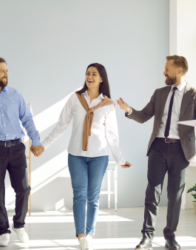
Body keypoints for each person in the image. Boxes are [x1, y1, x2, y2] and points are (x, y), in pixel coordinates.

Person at [31, 63, 132, 250]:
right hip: (76, 155)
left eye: (94, 74)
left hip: (99, 156)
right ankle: (80, 236)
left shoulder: (108, 104)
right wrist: (43, 145)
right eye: (87, 73)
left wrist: (120, 159)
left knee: (93, 197)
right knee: (79, 195)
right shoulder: (75, 98)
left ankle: (90, 234)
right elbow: (61, 125)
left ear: (101, 78)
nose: (89, 76)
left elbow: (112, 135)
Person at [117, 55, 196, 250]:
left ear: (179, 71)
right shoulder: (159, 93)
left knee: (175, 195)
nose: (164, 72)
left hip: (181, 149)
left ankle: (170, 236)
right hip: (158, 147)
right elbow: (143, 116)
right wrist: (128, 110)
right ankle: (147, 237)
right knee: (152, 193)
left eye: (167, 68)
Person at [0, 57, 44, 247]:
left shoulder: (15, 95)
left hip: (17, 148)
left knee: (23, 188)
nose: (6, 74)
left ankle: (19, 225)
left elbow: (27, 119)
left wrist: (35, 141)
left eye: (7, 70)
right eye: (2, 71)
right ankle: (3, 231)